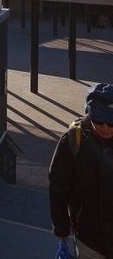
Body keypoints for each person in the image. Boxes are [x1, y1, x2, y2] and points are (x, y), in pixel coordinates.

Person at [49, 83, 113, 258]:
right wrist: (61, 227)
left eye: (112, 122)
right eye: (99, 120)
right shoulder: (73, 140)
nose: (106, 127)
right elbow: (58, 186)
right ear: (89, 113)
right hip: (89, 239)